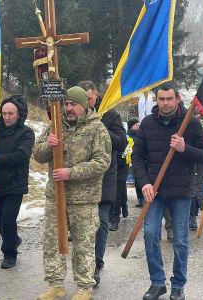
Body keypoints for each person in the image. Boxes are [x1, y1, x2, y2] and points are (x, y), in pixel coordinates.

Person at [132, 82, 203, 300]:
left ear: (177, 99)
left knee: (179, 241)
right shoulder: (147, 124)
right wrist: (145, 183)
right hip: (154, 191)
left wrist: (185, 148)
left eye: (169, 99)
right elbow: (137, 158)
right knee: (149, 235)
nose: (165, 103)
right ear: (156, 101)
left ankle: (178, 285)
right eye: (161, 99)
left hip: (181, 192)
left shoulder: (191, 124)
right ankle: (157, 283)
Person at [34, 86, 111, 300]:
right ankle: (55, 284)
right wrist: (47, 145)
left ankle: (84, 286)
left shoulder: (97, 129)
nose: (68, 108)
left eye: (73, 104)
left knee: (83, 243)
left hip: (83, 199)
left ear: (84, 105)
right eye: (66, 104)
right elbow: (37, 155)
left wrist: (71, 173)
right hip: (55, 196)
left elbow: (101, 162)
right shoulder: (55, 126)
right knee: (52, 241)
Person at [78, 81, 126, 286]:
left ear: (97, 95)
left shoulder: (110, 115)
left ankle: (95, 265)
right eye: (83, 98)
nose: (87, 102)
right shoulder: (74, 114)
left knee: (100, 222)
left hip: (106, 175)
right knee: (82, 225)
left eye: (90, 98)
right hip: (82, 176)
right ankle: (84, 263)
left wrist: (99, 127)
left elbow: (121, 143)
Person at [0, 95, 35, 269]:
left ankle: (10, 253)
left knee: (8, 219)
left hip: (15, 184)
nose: (7, 117)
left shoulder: (27, 133)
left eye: (10, 113)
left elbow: (22, 155)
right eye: (4, 113)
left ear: (19, 114)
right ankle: (14, 240)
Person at [109, 149, 129, 231]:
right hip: (110, 165)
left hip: (122, 163)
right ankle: (124, 205)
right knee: (118, 191)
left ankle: (115, 220)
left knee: (117, 194)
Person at [189, 164, 203, 231]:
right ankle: (190, 219)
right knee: (190, 197)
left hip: (199, 171)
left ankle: (193, 219)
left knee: (196, 198)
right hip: (187, 170)